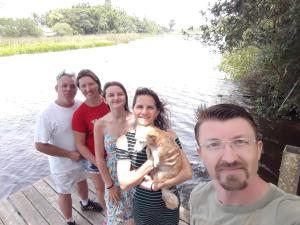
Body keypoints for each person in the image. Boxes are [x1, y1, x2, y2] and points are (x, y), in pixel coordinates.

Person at [190, 103, 300, 225]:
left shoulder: (291, 216)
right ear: (202, 155)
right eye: (214, 145)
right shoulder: (198, 197)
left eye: (240, 142)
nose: (229, 158)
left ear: (258, 149)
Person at [116, 87, 192, 225]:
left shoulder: (169, 135)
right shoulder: (124, 141)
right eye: (140, 106)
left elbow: (187, 173)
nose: (144, 111)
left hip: (168, 205)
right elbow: (124, 183)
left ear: (157, 111)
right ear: (133, 109)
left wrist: (158, 185)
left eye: (150, 107)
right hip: (142, 206)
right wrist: (152, 162)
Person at [34, 70, 102, 225]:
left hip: (83, 159)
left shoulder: (80, 105)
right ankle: (70, 221)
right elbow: (39, 145)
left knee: (82, 181)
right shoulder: (46, 114)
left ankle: (85, 204)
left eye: (72, 86)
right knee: (64, 192)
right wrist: (69, 154)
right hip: (62, 165)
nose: (68, 89)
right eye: (64, 86)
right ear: (56, 88)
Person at [94, 81, 135, 225]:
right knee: (115, 220)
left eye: (120, 94)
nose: (116, 97)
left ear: (125, 97)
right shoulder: (100, 124)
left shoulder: (136, 119)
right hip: (113, 178)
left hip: (135, 176)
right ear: (105, 99)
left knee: (134, 219)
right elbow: (99, 158)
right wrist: (110, 186)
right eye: (111, 95)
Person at [72, 69, 110, 213]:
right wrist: (98, 163)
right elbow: (80, 145)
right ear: (79, 89)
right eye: (83, 86)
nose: (88, 89)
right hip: (95, 160)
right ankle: (109, 217)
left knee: (122, 186)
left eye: (91, 84)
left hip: (117, 155)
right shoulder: (80, 114)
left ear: (97, 83)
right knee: (102, 189)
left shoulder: (109, 101)